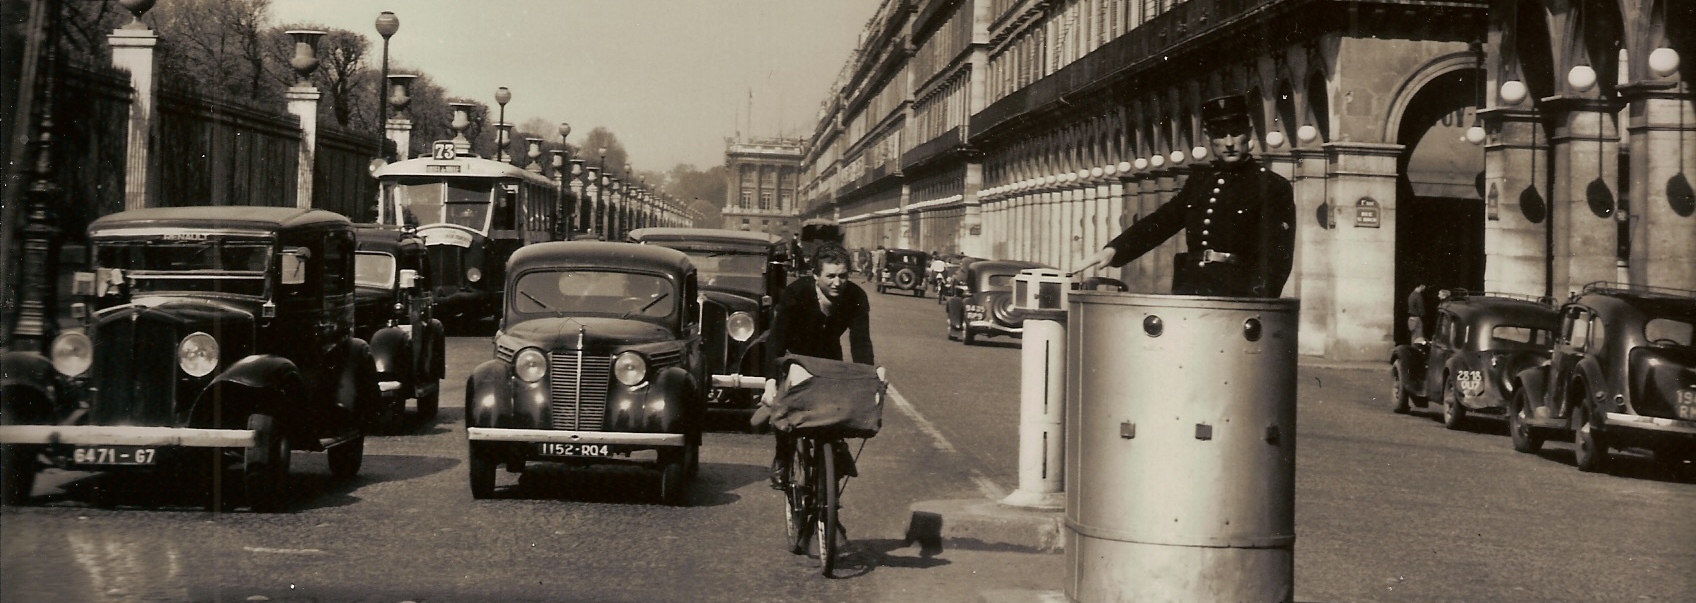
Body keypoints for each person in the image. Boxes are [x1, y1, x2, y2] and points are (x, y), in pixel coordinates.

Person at [1078, 94, 1296, 297]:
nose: (1229, 143)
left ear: (1248, 133)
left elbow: (1277, 259)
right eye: (1220, 135)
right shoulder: (1200, 182)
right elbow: (1162, 221)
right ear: (1209, 137)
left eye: (1235, 133)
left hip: (1236, 298)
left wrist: (1256, 306)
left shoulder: (1271, 186)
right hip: (1190, 292)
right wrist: (1115, 250)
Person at [762, 243, 875, 488]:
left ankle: (835, 448)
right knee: (788, 409)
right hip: (795, 356)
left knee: (836, 408)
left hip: (829, 355)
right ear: (815, 275)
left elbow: (861, 343)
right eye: (830, 276)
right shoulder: (797, 292)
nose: (838, 282)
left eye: (843, 276)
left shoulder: (856, 297)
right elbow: (777, 339)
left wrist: (869, 378)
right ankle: (782, 457)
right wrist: (770, 382)